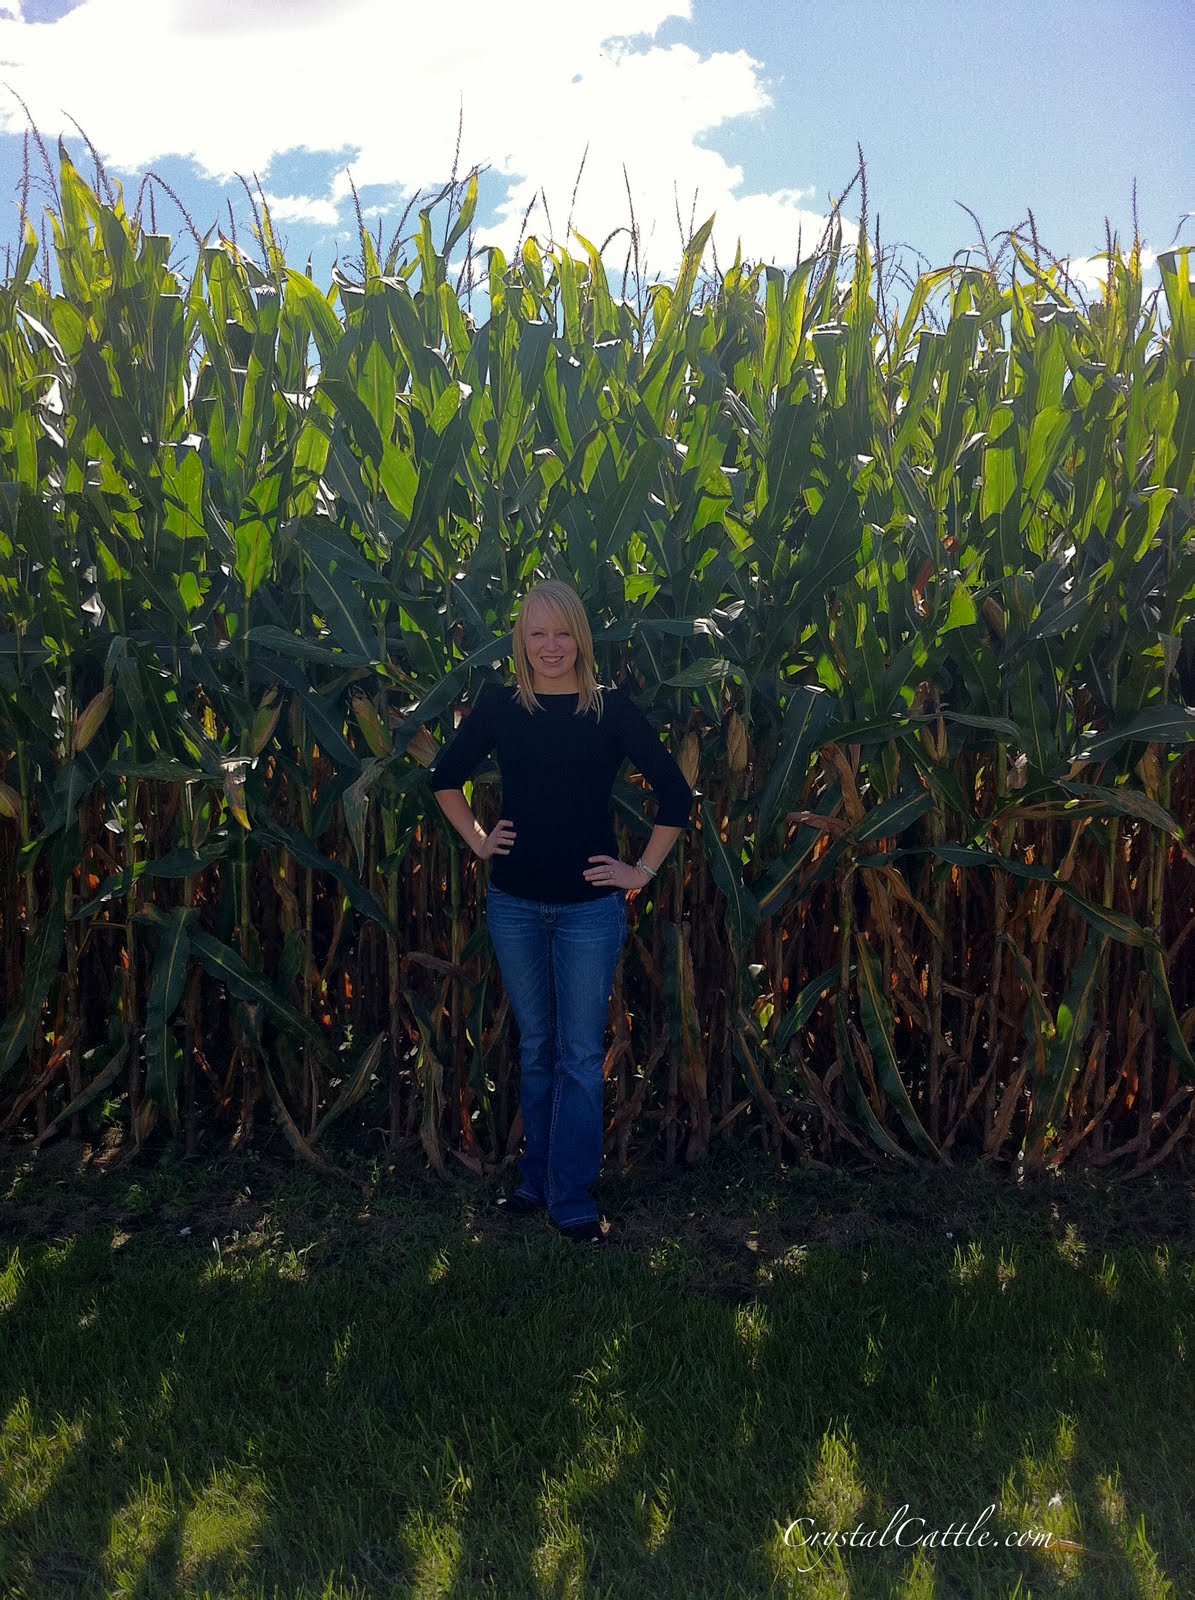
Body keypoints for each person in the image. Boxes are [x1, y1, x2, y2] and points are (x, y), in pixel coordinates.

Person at [429, 579, 693, 1245]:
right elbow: (441, 777)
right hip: (514, 902)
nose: (551, 646)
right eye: (537, 633)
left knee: (577, 1052)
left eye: (562, 632)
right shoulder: (499, 708)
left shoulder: (611, 710)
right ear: (520, 640)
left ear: (581, 638)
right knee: (539, 1046)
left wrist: (641, 871)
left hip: (587, 910)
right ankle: (536, 1179)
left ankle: (570, 1193)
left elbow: (674, 795)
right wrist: (479, 841)